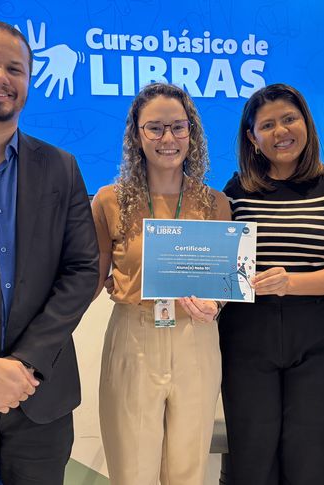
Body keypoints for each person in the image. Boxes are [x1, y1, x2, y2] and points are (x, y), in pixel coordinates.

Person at [219, 83, 324, 485]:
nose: (280, 131)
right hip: (247, 333)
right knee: (253, 454)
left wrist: (289, 282)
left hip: (319, 335)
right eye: (267, 125)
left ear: (306, 124)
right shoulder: (236, 191)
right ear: (252, 138)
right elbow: (220, 266)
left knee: (314, 455)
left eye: (289, 119)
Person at [91, 82, 230, 485]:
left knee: (188, 468)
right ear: (136, 135)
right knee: (132, 468)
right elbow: (92, 278)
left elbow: (224, 282)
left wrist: (216, 304)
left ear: (191, 133)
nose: (168, 138)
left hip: (196, 337)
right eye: (155, 128)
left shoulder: (216, 203)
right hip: (134, 335)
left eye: (178, 127)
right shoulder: (109, 201)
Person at [0, 19, 99, 485]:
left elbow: (82, 270)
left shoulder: (61, 167)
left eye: (15, 69)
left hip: (41, 396)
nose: (0, 78)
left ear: (29, 80)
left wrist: (25, 363)